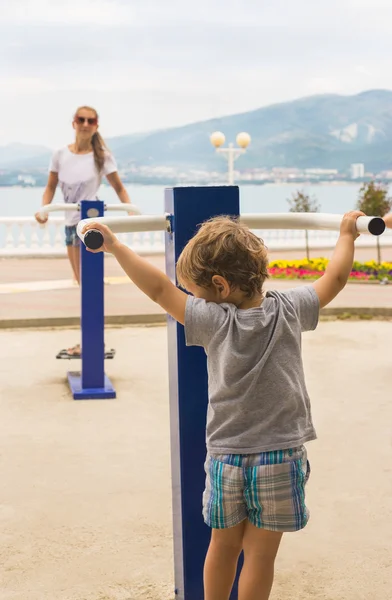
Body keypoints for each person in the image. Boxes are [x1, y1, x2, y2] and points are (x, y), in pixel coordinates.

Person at [82, 210, 364, 600]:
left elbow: (159, 290)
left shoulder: (213, 321)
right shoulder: (290, 308)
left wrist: (115, 246)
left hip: (227, 458)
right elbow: (334, 279)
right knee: (260, 558)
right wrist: (347, 235)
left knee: (223, 547)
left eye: (195, 290)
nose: (193, 298)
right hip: (281, 456)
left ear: (219, 285)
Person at [35, 105, 134, 356]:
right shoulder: (59, 154)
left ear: (96, 125)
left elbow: (119, 188)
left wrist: (130, 209)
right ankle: (91, 342)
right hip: (71, 226)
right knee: (83, 283)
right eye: (81, 119)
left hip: (91, 225)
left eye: (91, 120)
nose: (86, 124)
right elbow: (50, 187)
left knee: (91, 284)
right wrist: (44, 209)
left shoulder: (102, 157)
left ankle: (94, 343)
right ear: (74, 123)